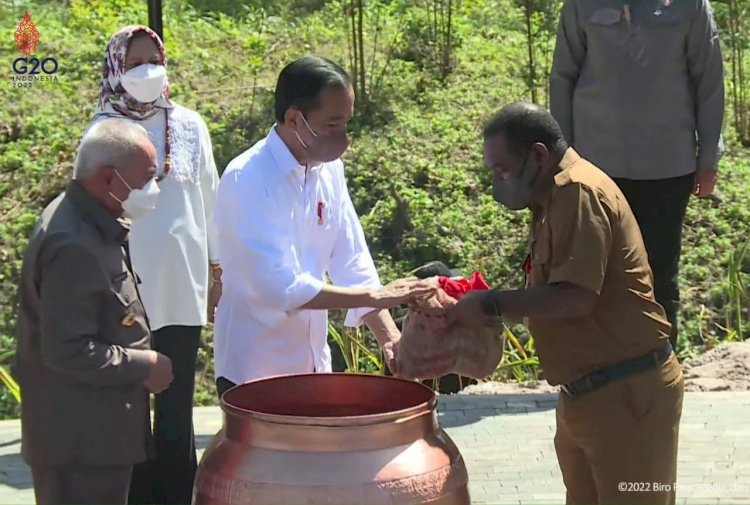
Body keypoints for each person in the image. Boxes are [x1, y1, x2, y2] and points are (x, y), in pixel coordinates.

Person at [446, 103, 684, 505]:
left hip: (627, 397)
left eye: (502, 169)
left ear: (538, 155)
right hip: (584, 396)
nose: (497, 182)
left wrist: (491, 305)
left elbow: (575, 297)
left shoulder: (579, 192)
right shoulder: (550, 201)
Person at [213, 56, 436, 396]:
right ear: (294, 118)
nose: (343, 137)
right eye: (333, 125)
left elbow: (351, 259)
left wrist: (390, 338)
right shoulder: (247, 178)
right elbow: (277, 286)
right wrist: (376, 295)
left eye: (347, 123)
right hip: (253, 372)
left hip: (313, 366)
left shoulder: (328, 170)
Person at [88, 25, 221, 504]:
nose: (148, 71)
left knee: (176, 410)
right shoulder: (101, 130)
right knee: (129, 411)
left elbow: (210, 202)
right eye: (136, 62)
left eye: (155, 59)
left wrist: (216, 269)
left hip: (182, 288)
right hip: (122, 293)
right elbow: (87, 213)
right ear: (116, 69)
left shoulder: (189, 124)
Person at [549, 0, 725, 351]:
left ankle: (659, 368)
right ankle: (601, 370)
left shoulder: (690, 6)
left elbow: (708, 81)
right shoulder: (581, 6)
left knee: (658, 273)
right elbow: (562, 78)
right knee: (594, 274)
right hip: (595, 169)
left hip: (667, 167)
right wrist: (563, 159)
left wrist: (708, 158)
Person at [16, 118, 173, 505]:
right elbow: (67, 349)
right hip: (79, 445)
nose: (152, 190)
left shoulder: (94, 222)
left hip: (98, 436)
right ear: (108, 178)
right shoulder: (72, 243)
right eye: (147, 178)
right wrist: (145, 365)